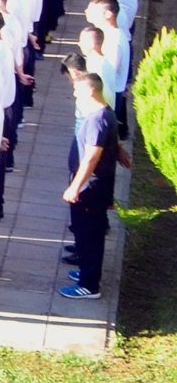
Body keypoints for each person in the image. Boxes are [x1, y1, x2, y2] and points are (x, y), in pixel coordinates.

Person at [62, 66, 117, 299]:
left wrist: (76, 186)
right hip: (93, 185)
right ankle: (86, 270)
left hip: (90, 187)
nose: (75, 95)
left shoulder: (97, 118)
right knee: (86, 232)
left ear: (91, 91)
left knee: (89, 233)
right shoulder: (104, 113)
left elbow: (92, 156)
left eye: (78, 91)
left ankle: (89, 284)